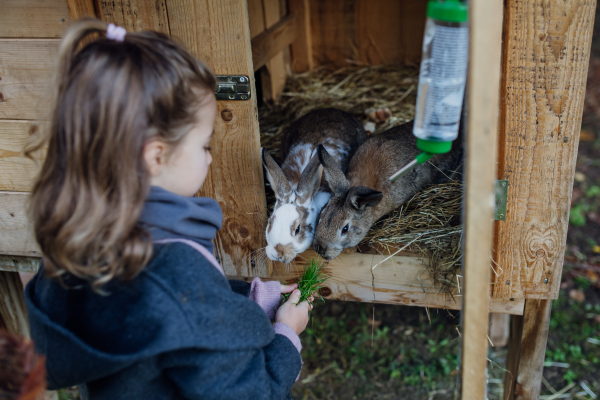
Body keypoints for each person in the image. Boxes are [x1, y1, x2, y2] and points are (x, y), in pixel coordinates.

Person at [23, 18, 310, 400]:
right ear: (156, 156)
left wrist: (246, 299)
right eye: (204, 145)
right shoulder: (175, 268)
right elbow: (250, 391)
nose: (210, 158)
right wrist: (286, 336)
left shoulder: (77, 237)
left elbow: (175, 314)